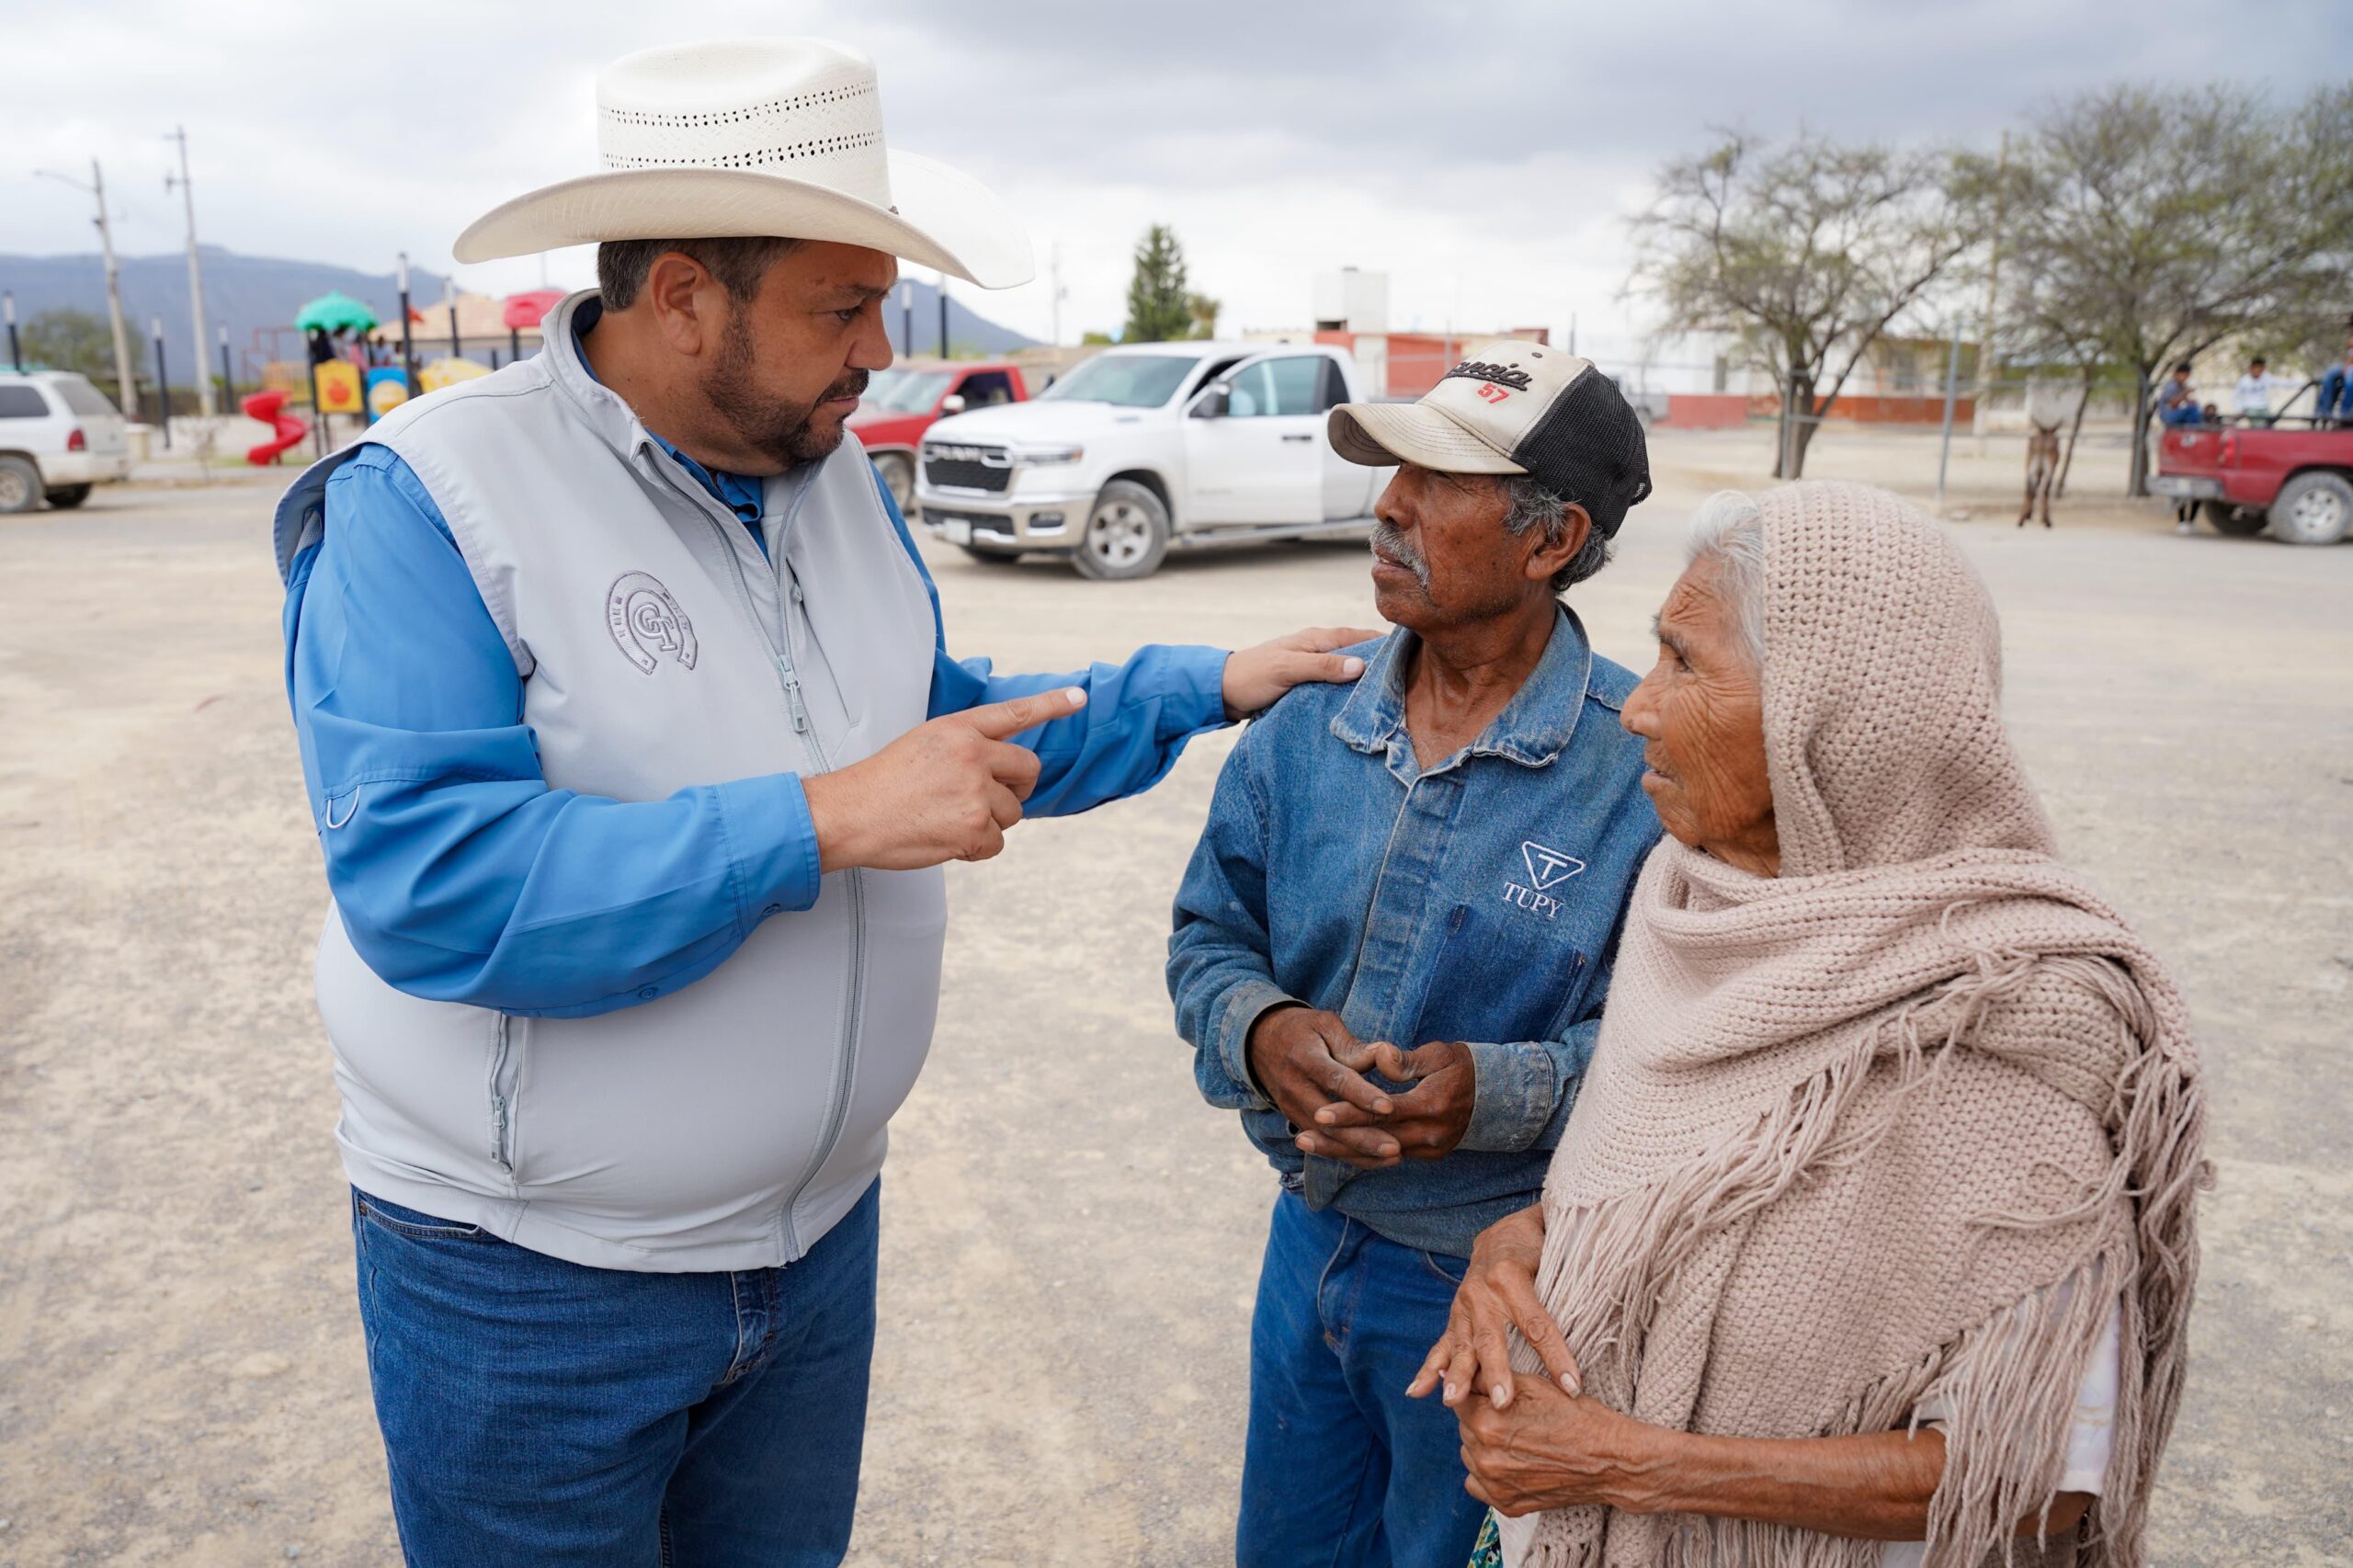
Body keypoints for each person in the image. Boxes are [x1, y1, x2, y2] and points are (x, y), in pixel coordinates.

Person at [271, 39, 1373, 1568]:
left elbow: (922, 725)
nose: (876, 347)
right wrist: (822, 820)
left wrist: (1203, 682)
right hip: (531, 1290)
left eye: (879, 304)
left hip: (811, 1259)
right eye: (839, 307)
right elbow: (433, 882)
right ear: (681, 298)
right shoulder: (434, 497)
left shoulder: (832, 472)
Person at [1417, 483, 2207, 1568]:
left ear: (1826, 715)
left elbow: (2035, 1481)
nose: (1637, 707)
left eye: (1686, 663)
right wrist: (1519, 1241)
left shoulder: (2005, 1021)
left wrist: (1621, 1461)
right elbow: (1672, 1199)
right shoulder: (1689, 910)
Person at [1166, 342, 1661, 1568]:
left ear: (1553, 541)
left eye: (1438, 479)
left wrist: (1490, 1093)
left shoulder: (1641, 771)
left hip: (1498, 1293)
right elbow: (1208, 935)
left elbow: (1680, 1058)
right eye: (1393, 466)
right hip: (1308, 1239)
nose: (1388, 503)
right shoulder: (1303, 724)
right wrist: (1264, 1032)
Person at [2230, 355, 2290, 423]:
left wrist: (2302, 383)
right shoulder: (2244, 380)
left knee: (2269, 424)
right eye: (2256, 368)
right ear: (2251, 368)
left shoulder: (2267, 377)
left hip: (2263, 407)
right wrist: (2238, 409)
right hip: (2250, 407)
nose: (2258, 371)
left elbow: (2282, 382)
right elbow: (2235, 396)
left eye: (2260, 369)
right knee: (2258, 426)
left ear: (2263, 369)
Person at [2154, 361, 2200, 426]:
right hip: (2167, 415)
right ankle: (2194, 431)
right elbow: (2172, 404)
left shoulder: (2182, 386)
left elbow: (2187, 402)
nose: (2185, 378)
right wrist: (2185, 393)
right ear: (2177, 374)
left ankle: (2191, 431)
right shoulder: (2171, 386)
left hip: (2175, 413)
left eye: (2187, 376)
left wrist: (2192, 402)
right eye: (2184, 375)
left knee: (2195, 409)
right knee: (2193, 410)